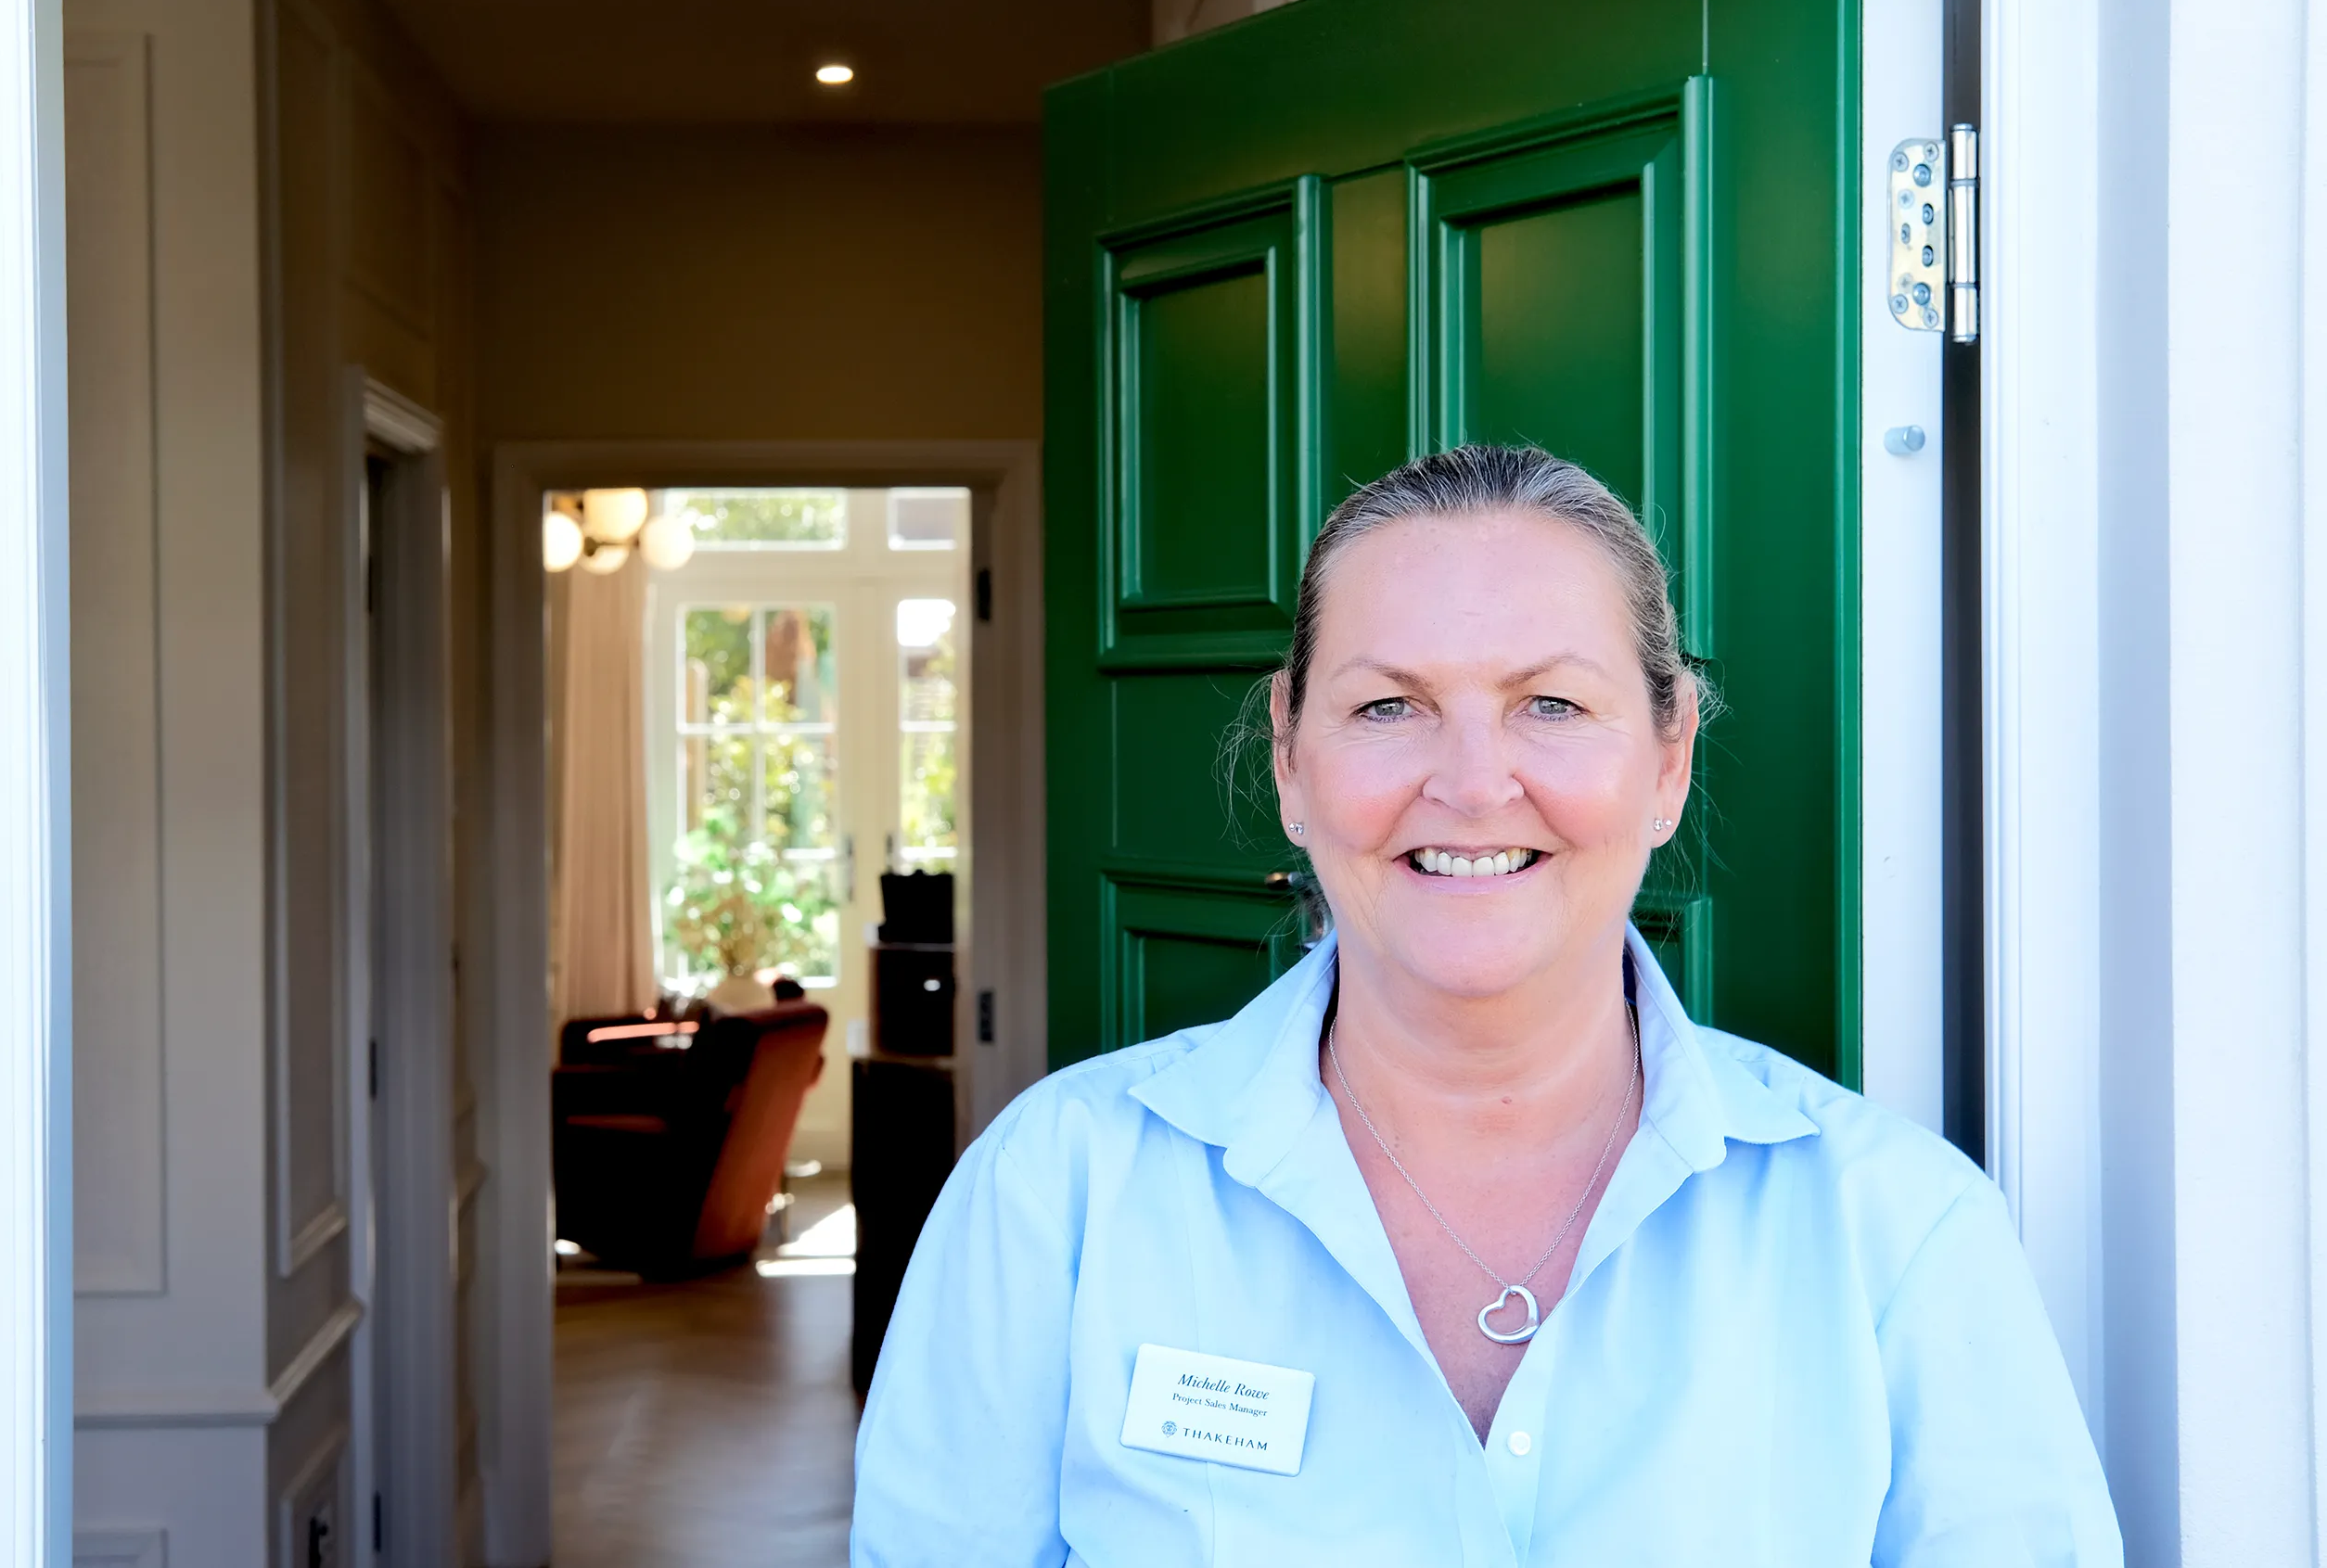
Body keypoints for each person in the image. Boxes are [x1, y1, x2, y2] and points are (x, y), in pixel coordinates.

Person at [851, 445, 2119, 1565]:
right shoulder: (1053, 1196)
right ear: (1290, 758)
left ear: (1668, 758)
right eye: (1387, 706)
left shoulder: (1897, 1231)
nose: (1470, 783)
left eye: (1550, 705)